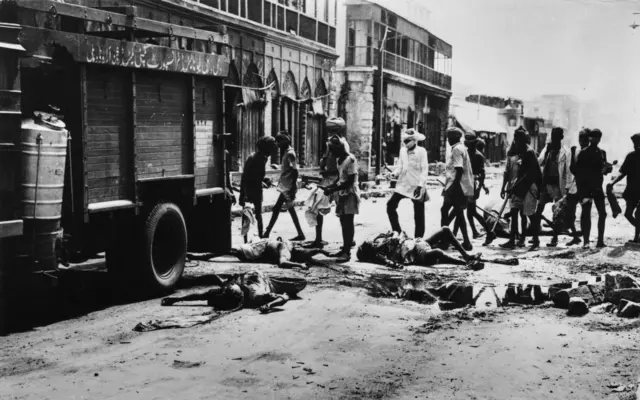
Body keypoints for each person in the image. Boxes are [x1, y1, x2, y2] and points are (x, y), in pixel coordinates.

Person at [160, 270, 307, 314]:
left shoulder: (256, 296)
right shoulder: (225, 292)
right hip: (247, 276)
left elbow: (284, 297)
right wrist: (177, 299)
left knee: (299, 285)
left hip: (265, 280)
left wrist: (269, 306)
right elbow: (201, 295)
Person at [305, 117, 351, 248]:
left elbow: (331, 162)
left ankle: (347, 241)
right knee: (319, 207)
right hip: (329, 178)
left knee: (341, 211)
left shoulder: (338, 144)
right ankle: (319, 239)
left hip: (336, 178)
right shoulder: (335, 142)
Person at [530, 127, 574, 249]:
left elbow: (568, 172)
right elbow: (539, 162)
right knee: (538, 211)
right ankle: (535, 238)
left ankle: (554, 238)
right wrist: (547, 151)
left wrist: (567, 188)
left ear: (561, 137)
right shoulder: (547, 149)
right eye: (552, 135)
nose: (554, 138)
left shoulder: (566, 152)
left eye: (556, 136)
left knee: (557, 214)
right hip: (546, 185)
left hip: (557, 186)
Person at [357, 227, 484, 270]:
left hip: (415, 242)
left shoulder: (379, 239)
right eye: (365, 244)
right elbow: (393, 264)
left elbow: (396, 232)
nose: (367, 241)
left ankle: (467, 256)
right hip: (414, 253)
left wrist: (396, 236)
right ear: (368, 251)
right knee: (437, 252)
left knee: (445, 229)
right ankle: (466, 264)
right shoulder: (378, 254)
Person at [499, 127, 542, 249]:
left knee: (529, 214)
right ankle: (512, 240)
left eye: (517, 140)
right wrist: (512, 187)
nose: (515, 142)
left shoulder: (529, 152)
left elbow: (529, 175)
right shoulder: (522, 152)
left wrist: (514, 187)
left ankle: (536, 240)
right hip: (521, 186)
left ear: (522, 140)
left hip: (529, 187)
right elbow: (520, 174)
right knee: (514, 211)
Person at [322, 135, 360, 262]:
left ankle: (347, 252)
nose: (331, 152)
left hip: (350, 193)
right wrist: (331, 186)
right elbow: (340, 178)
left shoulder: (351, 160)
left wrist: (332, 189)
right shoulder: (339, 159)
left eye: (333, 149)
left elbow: (350, 181)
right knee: (343, 221)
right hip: (342, 192)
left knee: (348, 221)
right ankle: (345, 247)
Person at [387, 129, 429, 238]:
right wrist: (394, 174)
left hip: (416, 185)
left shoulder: (421, 151)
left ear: (415, 140)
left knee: (418, 213)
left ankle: (418, 238)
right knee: (390, 206)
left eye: (408, 141)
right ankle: (397, 232)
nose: (406, 143)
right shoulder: (402, 151)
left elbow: (424, 170)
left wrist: (420, 186)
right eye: (404, 141)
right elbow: (400, 166)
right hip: (403, 184)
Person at [263, 132, 306, 241]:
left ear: (284, 142)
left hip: (288, 187)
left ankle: (267, 232)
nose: (277, 144)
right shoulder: (287, 153)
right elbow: (288, 168)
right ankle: (300, 233)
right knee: (284, 209)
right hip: (285, 186)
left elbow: (295, 170)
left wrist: (292, 187)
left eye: (278, 142)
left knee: (279, 208)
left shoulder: (290, 153)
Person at [573, 128, 609, 248]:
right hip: (586, 187)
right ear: (590, 138)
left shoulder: (602, 153)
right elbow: (577, 172)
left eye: (597, 137)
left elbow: (604, 170)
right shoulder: (583, 153)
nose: (595, 139)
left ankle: (600, 241)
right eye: (593, 137)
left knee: (602, 214)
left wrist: (608, 169)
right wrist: (581, 191)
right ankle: (586, 241)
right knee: (586, 213)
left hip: (597, 187)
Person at [441, 127, 475, 251]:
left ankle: (445, 239)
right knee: (457, 214)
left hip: (456, 186)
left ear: (455, 138)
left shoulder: (456, 149)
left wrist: (453, 188)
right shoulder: (461, 148)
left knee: (446, 211)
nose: (448, 139)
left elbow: (459, 170)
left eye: (449, 137)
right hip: (457, 186)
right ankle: (465, 241)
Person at [239, 136, 277, 242]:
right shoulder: (254, 158)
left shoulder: (262, 158)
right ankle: (245, 240)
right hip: (249, 190)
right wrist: (244, 194)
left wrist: (265, 180)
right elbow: (246, 177)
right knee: (247, 215)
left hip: (257, 189)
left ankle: (261, 238)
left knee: (258, 215)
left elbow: (258, 175)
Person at [454, 132, 490, 239]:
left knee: (465, 212)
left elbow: (482, 174)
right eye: (467, 144)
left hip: (472, 185)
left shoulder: (478, 156)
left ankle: (455, 234)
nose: (469, 146)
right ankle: (476, 232)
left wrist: (479, 188)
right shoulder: (464, 153)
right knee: (468, 212)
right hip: (464, 185)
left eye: (471, 144)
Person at [608, 133, 640, 244]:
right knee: (628, 214)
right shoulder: (630, 156)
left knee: (638, 214)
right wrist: (612, 183)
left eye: (639, 143)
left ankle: (637, 238)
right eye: (635, 144)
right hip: (631, 190)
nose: (637, 146)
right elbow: (623, 173)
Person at [228, 237, 329, 269]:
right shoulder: (289, 245)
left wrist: (299, 265)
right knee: (227, 250)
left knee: (228, 250)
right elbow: (307, 254)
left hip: (251, 251)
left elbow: (282, 262)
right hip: (255, 246)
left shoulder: (286, 252)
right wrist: (321, 251)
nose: (299, 247)